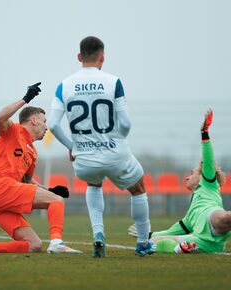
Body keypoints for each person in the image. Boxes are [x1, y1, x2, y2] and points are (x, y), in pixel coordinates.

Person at [128, 109, 231, 254]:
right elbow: (172, 231)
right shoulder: (190, 216)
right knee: (158, 241)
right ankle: (181, 249)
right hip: (204, 243)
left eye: (192, 173)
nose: (187, 176)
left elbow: (208, 160)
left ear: (202, 176)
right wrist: (148, 234)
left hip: (216, 223)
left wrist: (205, 133)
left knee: (221, 217)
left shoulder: (208, 185)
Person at [48, 36, 153, 257]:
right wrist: (118, 139)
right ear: (102, 56)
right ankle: (143, 243)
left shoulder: (64, 85)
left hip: (84, 157)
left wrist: (72, 146)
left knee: (94, 184)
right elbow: (125, 123)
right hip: (115, 153)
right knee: (138, 188)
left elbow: (53, 124)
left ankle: (98, 234)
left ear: (79, 57)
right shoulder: (113, 81)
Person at [0, 83, 82, 255]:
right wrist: (25, 99)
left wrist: (50, 189)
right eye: (44, 122)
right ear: (34, 120)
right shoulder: (12, 130)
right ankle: (57, 243)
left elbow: (27, 181)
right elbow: (0, 118)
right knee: (56, 201)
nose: (47, 127)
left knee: (33, 245)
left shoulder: (32, 151)